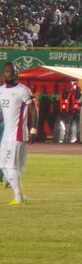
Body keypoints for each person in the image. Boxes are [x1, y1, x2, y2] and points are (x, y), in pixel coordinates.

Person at [1, 63, 39, 206]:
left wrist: (33, 130)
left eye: (11, 71)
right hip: (6, 135)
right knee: (3, 165)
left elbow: (34, 110)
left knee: (11, 166)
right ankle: (19, 194)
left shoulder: (23, 90)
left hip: (17, 135)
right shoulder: (1, 90)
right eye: (6, 71)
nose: (8, 74)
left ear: (17, 73)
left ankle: (18, 198)